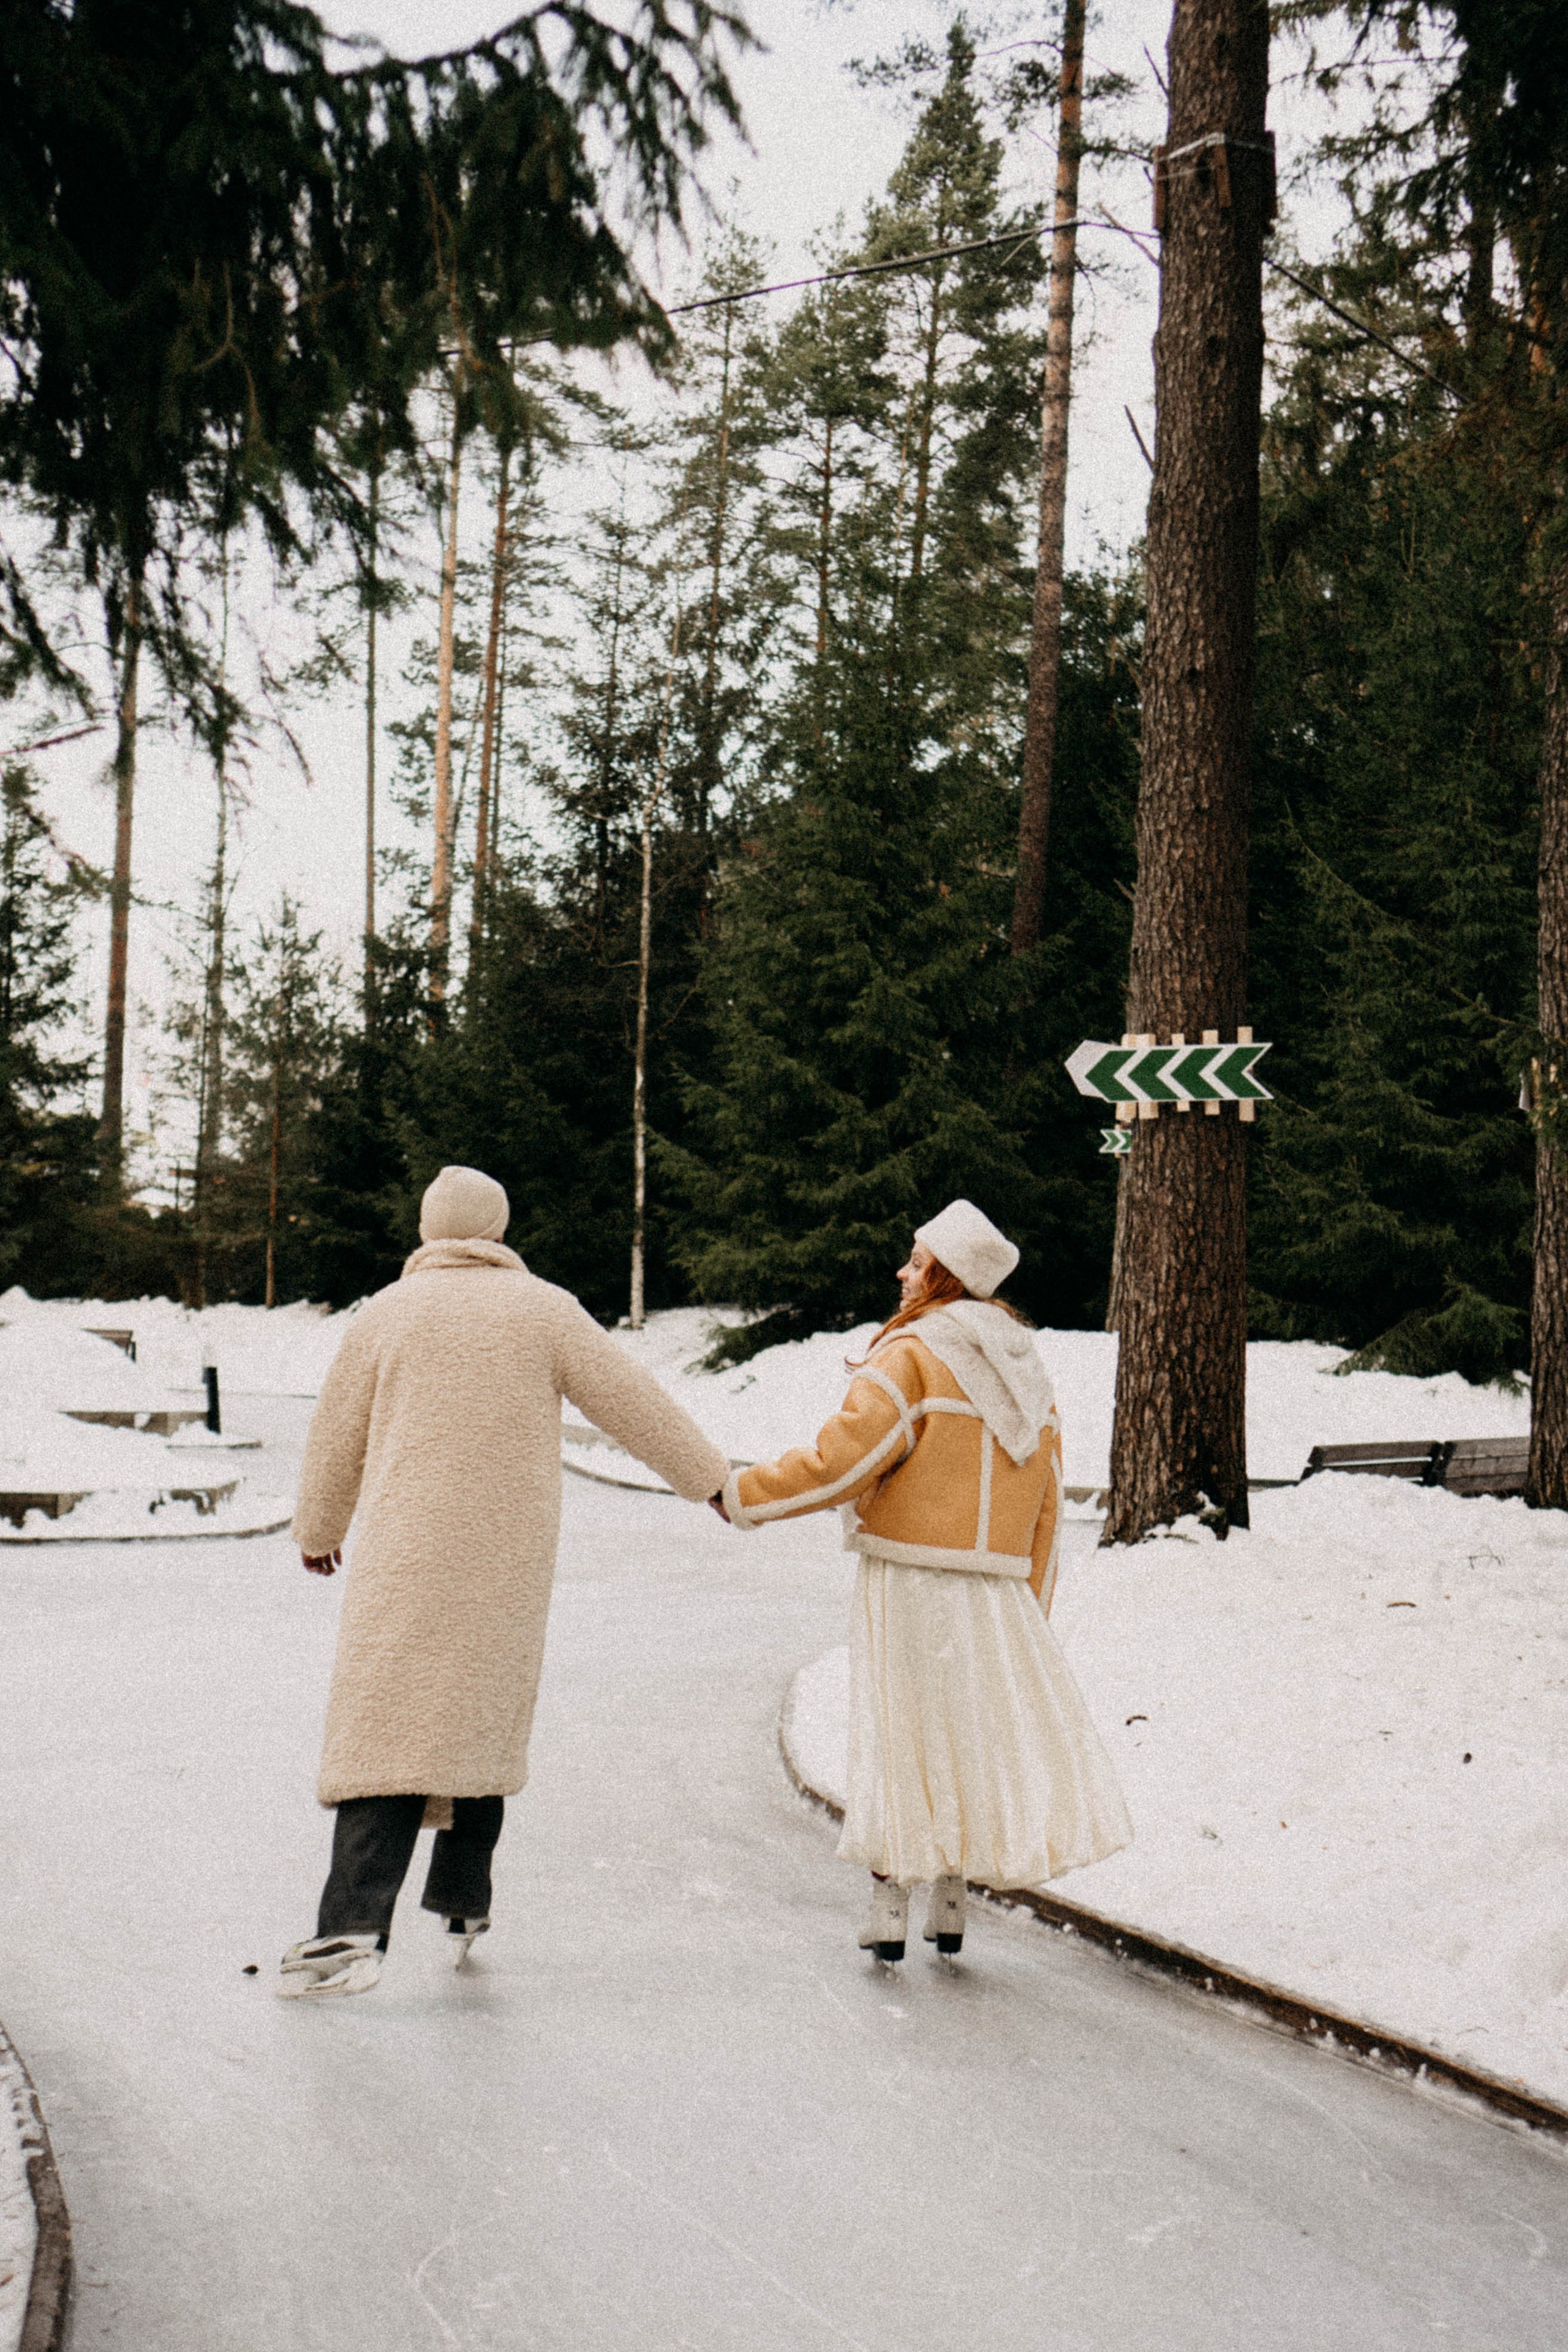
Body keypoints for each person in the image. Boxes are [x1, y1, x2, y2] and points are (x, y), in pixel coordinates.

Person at [280, 1164, 728, 1997]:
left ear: (428, 1229)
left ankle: (347, 1931)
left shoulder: (386, 1313)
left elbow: (334, 1434)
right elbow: (635, 1404)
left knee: (388, 1724)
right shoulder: (545, 1310)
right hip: (506, 1559)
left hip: (403, 1557)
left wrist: (318, 1530)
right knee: (479, 1713)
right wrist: (712, 1482)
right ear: (496, 1231)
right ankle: (462, 1895)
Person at [714, 1199, 1131, 1962]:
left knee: (898, 1734)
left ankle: (887, 1903)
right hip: (996, 1589)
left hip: (908, 1576)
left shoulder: (909, 1355)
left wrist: (743, 1496)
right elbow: (1048, 1497)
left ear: (944, 1275)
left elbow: (843, 1460)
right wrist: (1030, 1600)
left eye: (915, 1260)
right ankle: (952, 1896)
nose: (901, 1272)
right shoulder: (1023, 1366)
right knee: (968, 1734)